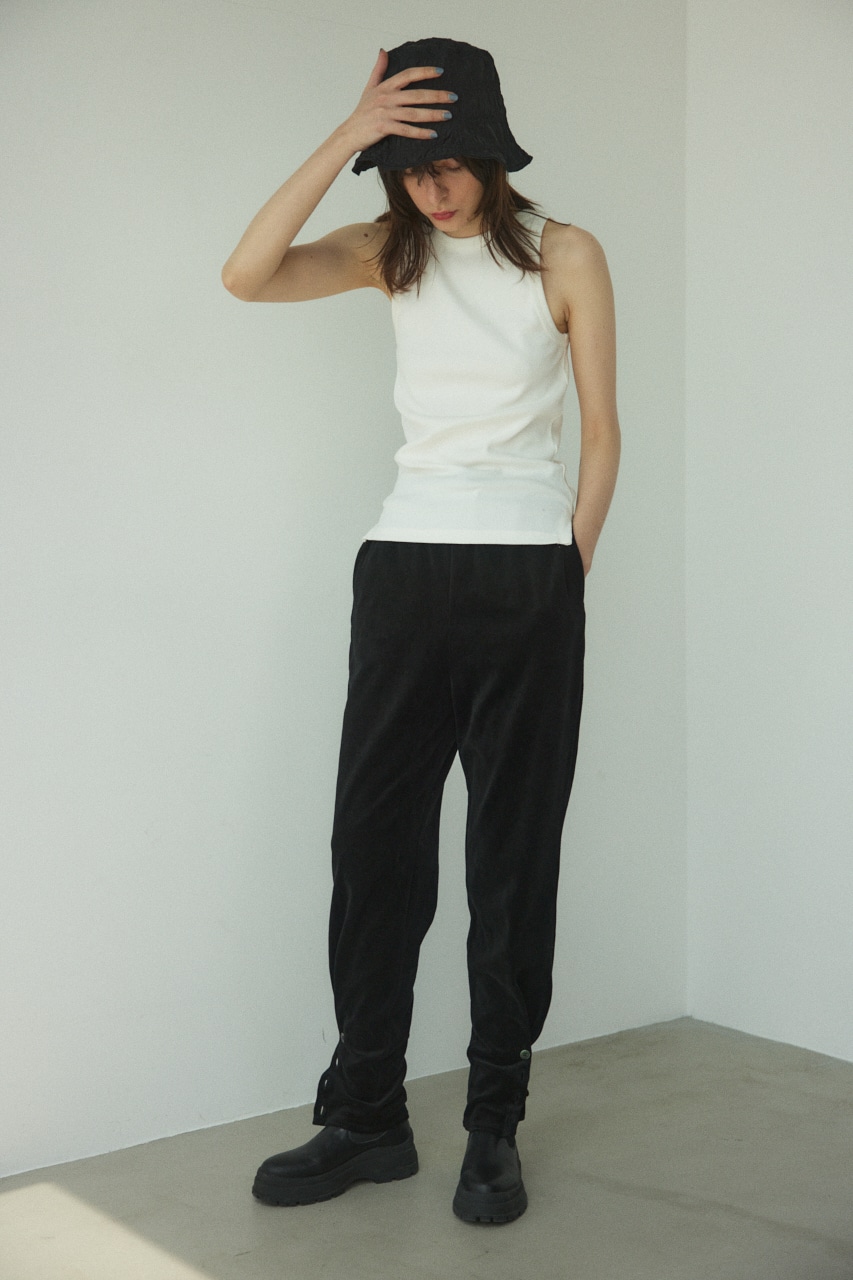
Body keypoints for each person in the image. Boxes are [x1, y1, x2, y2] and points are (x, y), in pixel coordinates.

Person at [221, 36, 620, 1224]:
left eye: (446, 161)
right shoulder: (384, 251)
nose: (429, 187)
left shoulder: (565, 253)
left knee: (510, 856)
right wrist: (350, 135)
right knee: (372, 849)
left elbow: (603, 432)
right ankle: (366, 1115)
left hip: (527, 575)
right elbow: (244, 275)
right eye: (405, 167)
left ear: (491, 150)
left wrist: (563, 573)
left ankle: (493, 1121)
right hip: (401, 568)